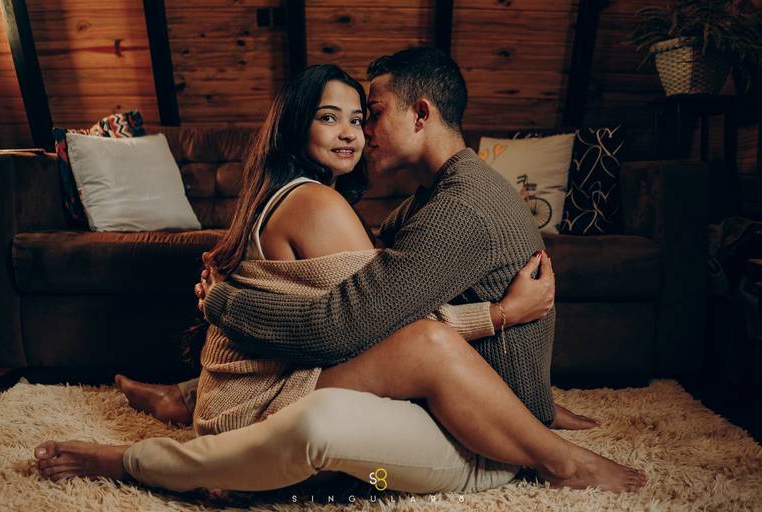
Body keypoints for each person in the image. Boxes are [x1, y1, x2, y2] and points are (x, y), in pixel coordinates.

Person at [35, 52, 646, 494]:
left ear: (421, 114)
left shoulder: (437, 205)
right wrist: (500, 316)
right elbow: (355, 323)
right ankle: (562, 462)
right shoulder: (339, 203)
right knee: (406, 368)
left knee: (379, 416)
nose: (359, 133)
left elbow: (362, 318)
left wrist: (530, 394)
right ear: (298, 124)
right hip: (303, 414)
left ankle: (186, 407)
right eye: (334, 118)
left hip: (432, 430)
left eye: (365, 116)